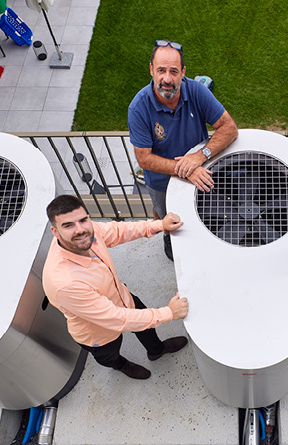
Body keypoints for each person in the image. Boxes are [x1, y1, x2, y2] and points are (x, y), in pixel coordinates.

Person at [43, 194, 189, 380]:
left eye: (83, 220)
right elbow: (116, 319)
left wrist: (158, 225)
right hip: (97, 332)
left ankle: (156, 350)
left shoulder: (89, 231)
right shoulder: (65, 284)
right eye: (68, 225)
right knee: (108, 355)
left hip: (120, 296)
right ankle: (122, 365)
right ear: (55, 232)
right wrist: (168, 313)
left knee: (146, 327)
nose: (80, 230)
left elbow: (118, 231)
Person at [128, 39, 238, 259]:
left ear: (183, 72)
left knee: (206, 210)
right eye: (161, 70)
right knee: (166, 215)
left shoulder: (196, 91)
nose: (167, 79)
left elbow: (230, 128)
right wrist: (185, 168)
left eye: (173, 71)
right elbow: (145, 160)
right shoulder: (138, 108)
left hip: (201, 170)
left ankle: (206, 235)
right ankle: (169, 238)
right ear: (151, 69)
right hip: (161, 183)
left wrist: (200, 156)